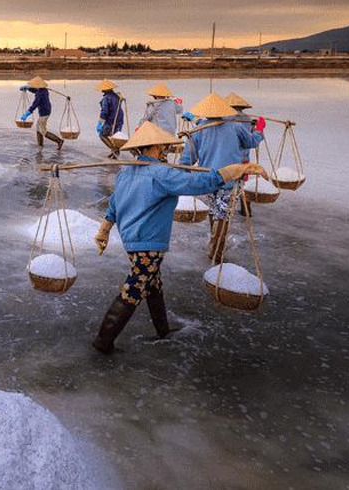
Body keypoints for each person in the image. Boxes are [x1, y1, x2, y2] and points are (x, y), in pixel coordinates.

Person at [91, 122, 267, 353]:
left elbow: (114, 205)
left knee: (152, 283)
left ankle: (162, 329)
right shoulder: (161, 173)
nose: (165, 151)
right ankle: (103, 342)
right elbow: (196, 183)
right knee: (134, 289)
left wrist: (104, 229)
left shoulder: (126, 172)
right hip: (148, 242)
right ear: (154, 148)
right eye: (163, 147)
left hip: (132, 239)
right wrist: (234, 170)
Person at [177, 93, 265, 263]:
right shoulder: (235, 126)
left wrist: (183, 173)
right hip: (229, 177)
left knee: (215, 209)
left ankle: (214, 242)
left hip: (208, 178)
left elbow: (188, 157)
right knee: (223, 214)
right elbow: (251, 142)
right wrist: (260, 131)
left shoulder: (200, 127)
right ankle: (217, 249)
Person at [18, 76, 64, 150]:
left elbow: (35, 104)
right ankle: (40, 145)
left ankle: (59, 141)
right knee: (38, 129)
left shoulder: (40, 94)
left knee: (43, 130)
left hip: (44, 112)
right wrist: (28, 88)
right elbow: (35, 91)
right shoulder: (43, 90)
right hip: (46, 110)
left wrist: (28, 112)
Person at [96, 80, 125, 159]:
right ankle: (114, 151)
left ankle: (114, 150)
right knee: (114, 136)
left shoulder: (106, 98)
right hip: (119, 119)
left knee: (102, 135)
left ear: (105, 89)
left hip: (111, 120)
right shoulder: (117, 96)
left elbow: (104, 112)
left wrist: (100, 123)